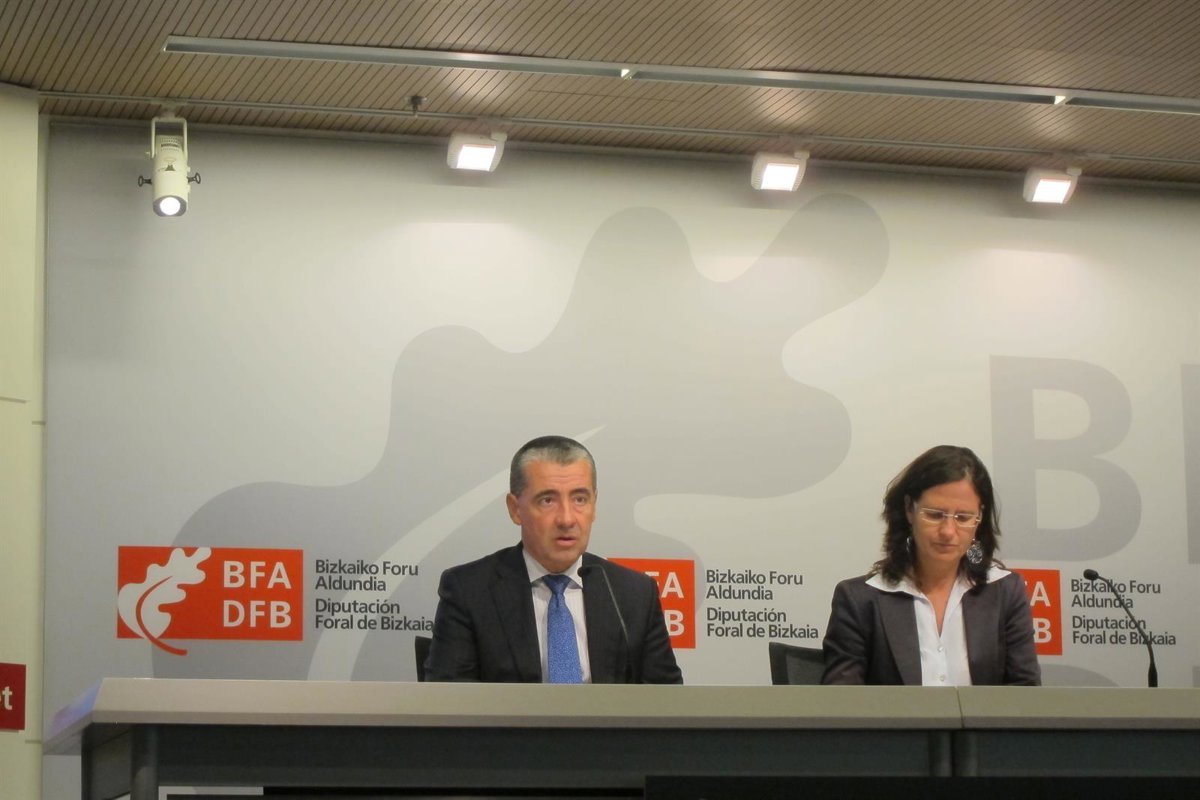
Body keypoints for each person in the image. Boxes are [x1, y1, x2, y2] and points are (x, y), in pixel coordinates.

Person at [424, 435, 683, 683]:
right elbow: (451, 701)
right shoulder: (469, 591)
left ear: (594, 505)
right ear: (515, 509)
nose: (567, 519)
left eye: (580, 499)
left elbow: (667, 702)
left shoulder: (634, 594)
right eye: (547, 500)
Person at [821, 445, 1041, 686]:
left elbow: (1025, 695)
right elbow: (843, 701)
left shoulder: (1005, 592)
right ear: (909, 509)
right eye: (935, 515)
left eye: (963, 517)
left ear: (979, 518)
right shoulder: (859, 601)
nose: (948, 531)